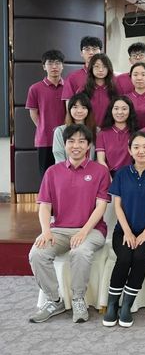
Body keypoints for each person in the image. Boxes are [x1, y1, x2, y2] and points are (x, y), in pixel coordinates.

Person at [28, 124, 109, 323]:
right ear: (64, 145)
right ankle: (54, 300)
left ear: (89, 146)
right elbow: (44, 206)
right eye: (71, 141)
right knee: (37, 254)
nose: (76, 146)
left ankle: (78, 298)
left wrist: (83, 232)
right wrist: (46, 231)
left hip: (92, 230)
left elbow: (101, 207)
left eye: (81, 141)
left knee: (79, 252)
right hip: (60, 230)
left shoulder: (100, 171)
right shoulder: (52, 172)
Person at [103, 131, 145, 327]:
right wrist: (128, 232)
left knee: (140, 256)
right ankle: (112, 305)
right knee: (124, 257)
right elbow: (117, 207)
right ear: (130, 150)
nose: (141, 151)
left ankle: (126, 306)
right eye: (136, 147)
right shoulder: (122, 174)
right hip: (123, 231)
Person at [26, 49, 66, 177]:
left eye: (58, 63)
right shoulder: (35, 88)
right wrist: (43, 127)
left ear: (62, 66)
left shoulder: (69, 87)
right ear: (44, 66)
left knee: (65, 175)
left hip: (66, 138)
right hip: (45, 140)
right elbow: (33, 113)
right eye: (50, 63)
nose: (54, 66)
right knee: (46, 176)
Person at [96, 96, 138, 176]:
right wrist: (109, 178)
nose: (120, 112)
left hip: (133, 175)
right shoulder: (102, 134)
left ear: (130, 111)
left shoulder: (136, 134)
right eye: (116, 108)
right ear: (111, 111)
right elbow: (101, 160)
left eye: (124, 109)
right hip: (110, 175)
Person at [52, 93, 97, 163]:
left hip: (91, 169)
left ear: (88, 110)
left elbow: (98, 157)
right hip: (66, 169)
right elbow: (59, 157)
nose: (79, 111)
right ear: (69, 109)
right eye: (75, 107)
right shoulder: (60, 131)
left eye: (83, 107)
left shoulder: (97, 131)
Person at [61, 36, 102, 107]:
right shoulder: (72, 78)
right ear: (81, 53)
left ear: (100, 52)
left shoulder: (109, 76)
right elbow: (69, 106)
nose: (91, 52)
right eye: (87, 49)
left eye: (95, 49)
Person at [80, 53, 117, 126]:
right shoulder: (83, 89)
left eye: (104, 66)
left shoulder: (114, 89)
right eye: (97, 66)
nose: (100, 70)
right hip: (88, 129)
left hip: (108, 129)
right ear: (91, 68)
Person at [126, 62, 145, 128]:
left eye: (143, 75)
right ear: (130, 77)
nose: (139, 78)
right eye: (135, 75)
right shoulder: (124, 99)